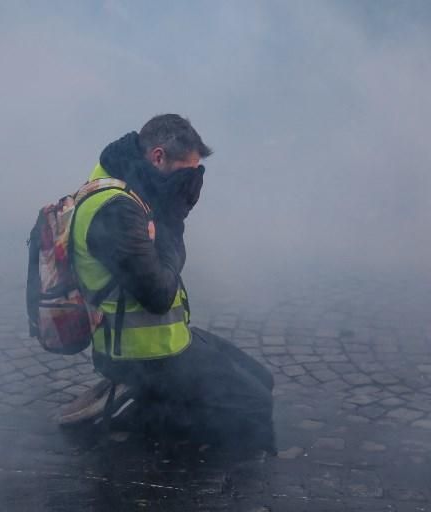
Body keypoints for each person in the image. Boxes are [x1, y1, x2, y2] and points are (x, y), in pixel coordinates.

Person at [59, 114, 274, 451]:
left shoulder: (128, 185)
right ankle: (160, 437)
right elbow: (158, 294)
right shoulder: (117, 209)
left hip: (163, 341)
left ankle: (152, 408)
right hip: (143, 354)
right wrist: (173, 220)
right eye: (186, 173)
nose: (189, 183)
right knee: (254, 404)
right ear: (158, 156)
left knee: (263, 379)